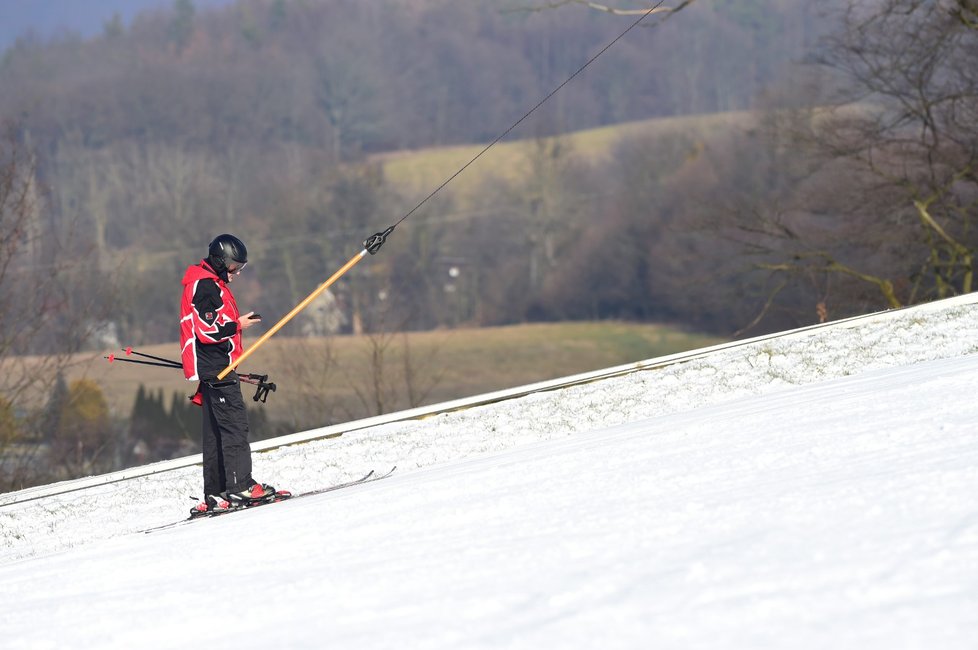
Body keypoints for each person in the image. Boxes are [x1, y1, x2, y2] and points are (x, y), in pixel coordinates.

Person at [180, 233, 277, 515]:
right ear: (221, 262)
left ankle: (217, 492)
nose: (236, 274)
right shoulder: (206, 286)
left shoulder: (208, 282)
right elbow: (207, 331)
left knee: (215, 433)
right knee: (234, 426)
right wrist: (238, 325)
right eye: (235, 268)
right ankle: (239, 487)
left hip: (214, 369)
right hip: (217, 369)